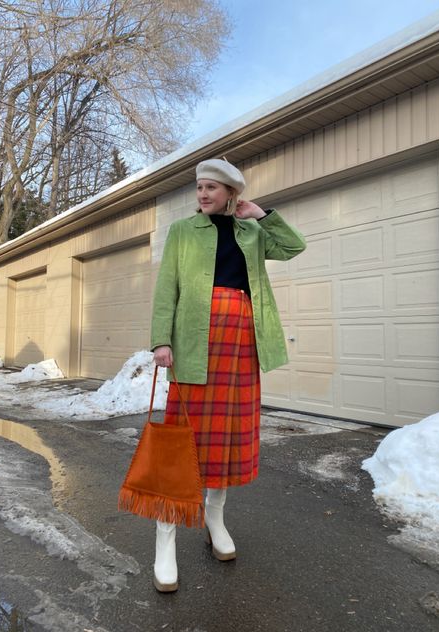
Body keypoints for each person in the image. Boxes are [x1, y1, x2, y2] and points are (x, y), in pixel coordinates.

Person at [150, 158, 307, 592]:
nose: (202, 194)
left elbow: (294, 247)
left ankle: (214, 519)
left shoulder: (252, 231)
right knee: (184, 442)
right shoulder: (182, 231)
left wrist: (262, 214)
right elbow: (167, 288)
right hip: (195, 345)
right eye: (199, 187)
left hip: (241, 344)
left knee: (227, 439)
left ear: (230, 193)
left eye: (211, 188)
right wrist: (161, 340)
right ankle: (165, 538)